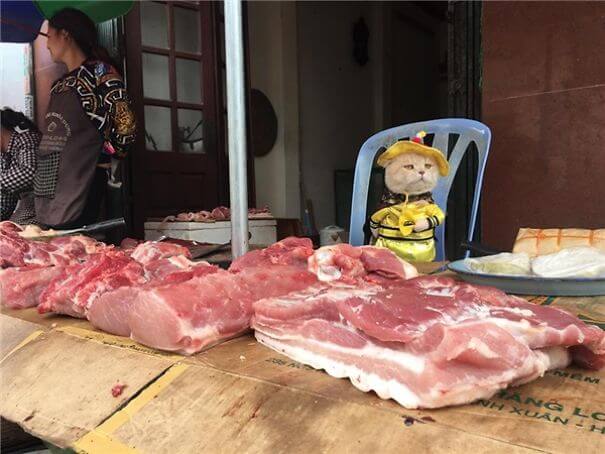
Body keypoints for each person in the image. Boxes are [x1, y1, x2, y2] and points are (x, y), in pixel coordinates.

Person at [34, 7, 136, 229]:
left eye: (49, 36)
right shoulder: (59, 84)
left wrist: (105, 155)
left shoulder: (100, 74)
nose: (47, 44)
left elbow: (125, 127)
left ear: (66, 35)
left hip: (83, 183)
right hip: (51, 185)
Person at [1, 108, 41, 224]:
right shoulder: (4, 154)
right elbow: (5, 199)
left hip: (43, 205)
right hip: (26, 205)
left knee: (16, 233)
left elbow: (30, 172)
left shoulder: (27, 140)